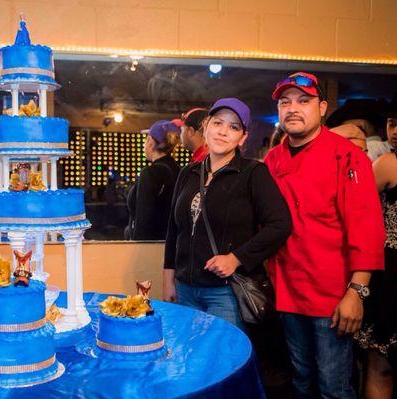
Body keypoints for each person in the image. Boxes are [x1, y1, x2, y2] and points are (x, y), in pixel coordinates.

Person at [264, 72, 386, 398]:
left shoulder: (348, 156)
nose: (293, 108)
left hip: (332, 297)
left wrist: (357, 292)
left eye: (303, 101)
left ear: (322, 107)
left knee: (333, 387)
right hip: (287, 292)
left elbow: (367, 227)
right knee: (301, 381)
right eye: (285, 102)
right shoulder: (272, 160)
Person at [163, 98, 292, 330]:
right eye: (218, 123)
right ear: (206, 127)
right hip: (185, 289)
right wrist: (168, 280)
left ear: (242, 137)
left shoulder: (254, 173)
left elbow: (280, 224)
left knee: (220, 361)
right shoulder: (188, 173)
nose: (223, 132)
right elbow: (174, 230)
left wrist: (236, 258)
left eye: (233, 127)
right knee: (188, 358)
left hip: (225, 293)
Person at [354, 101, 397, 399]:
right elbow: (357, 213)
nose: (395, 131)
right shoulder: (389, 164)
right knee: (381, 365)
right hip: (391, 276)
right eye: (392, 123)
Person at [126, 120, 181, 240]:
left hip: (151, 248)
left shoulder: (150, 173)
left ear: (150, 142)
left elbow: (143, 220)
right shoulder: (180, 171)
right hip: (172, 245)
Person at [327, 98, 391, 162]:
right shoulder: (386, 147)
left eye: (348, 126)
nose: (343, 129)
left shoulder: (370, 148)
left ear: (362, 124)